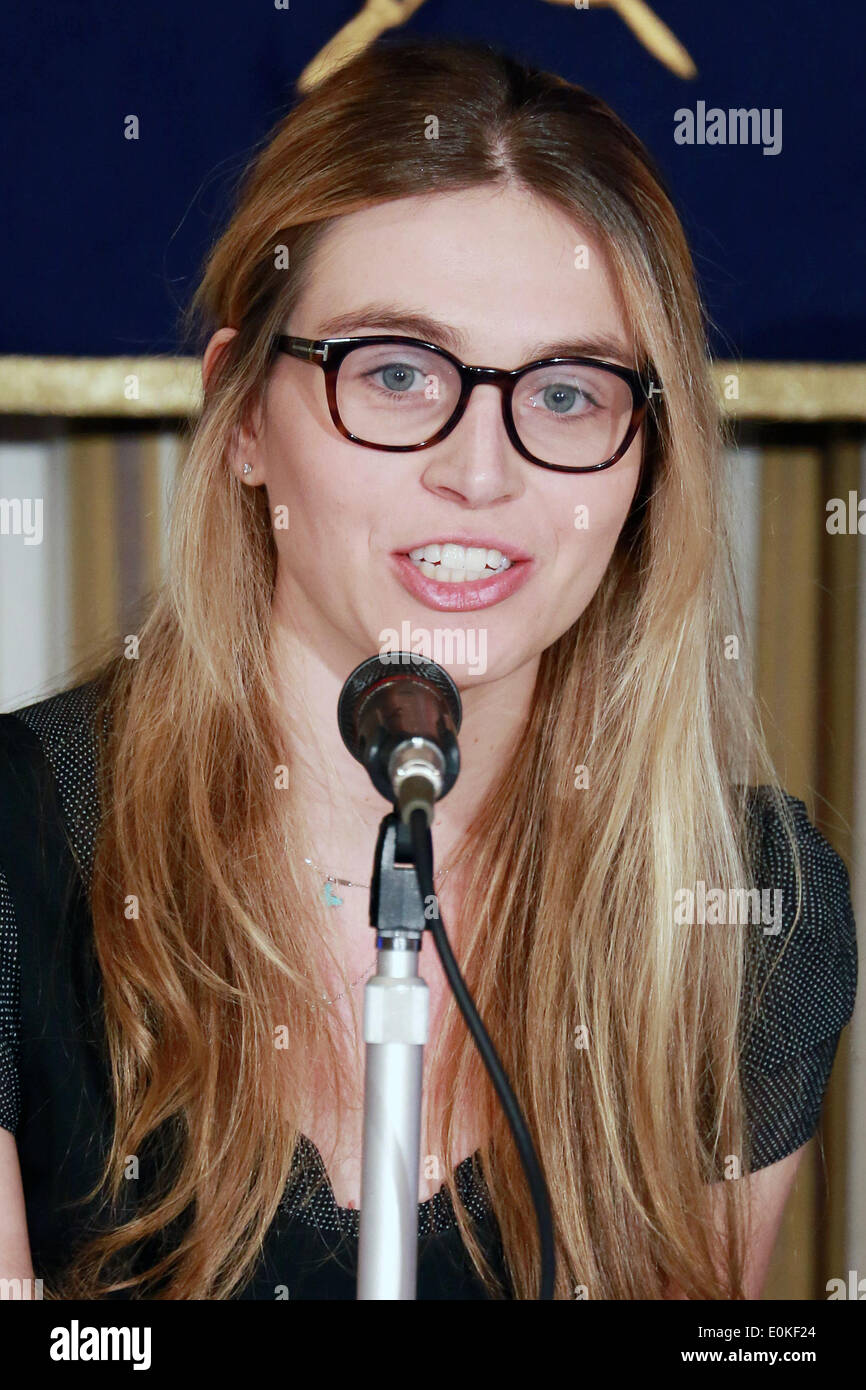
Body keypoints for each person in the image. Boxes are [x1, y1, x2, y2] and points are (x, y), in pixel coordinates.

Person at [0, 34, 857, 1301]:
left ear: (645, 460)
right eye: (396, 372)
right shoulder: (20, 848)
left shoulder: (747, 918)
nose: (481, 469)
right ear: (240, 414)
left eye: (566, 393)